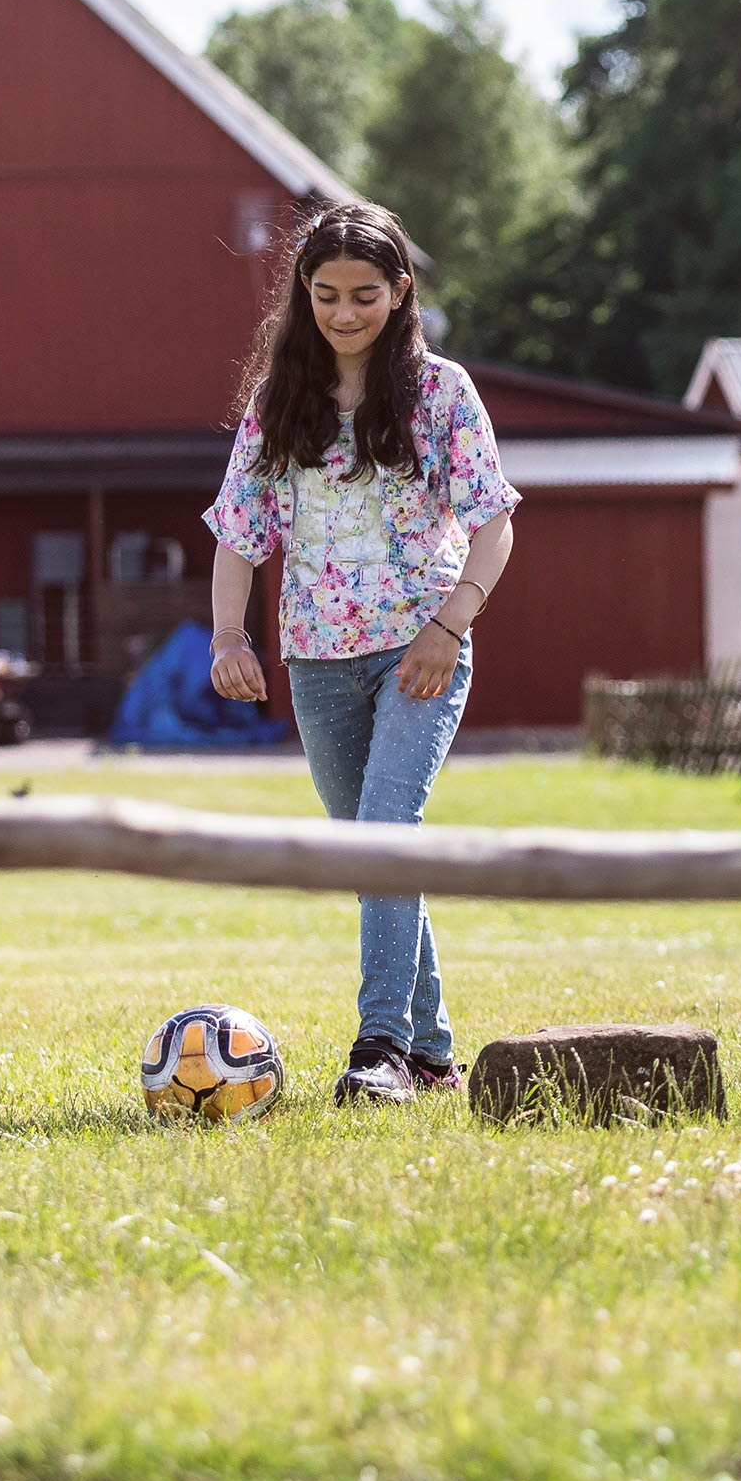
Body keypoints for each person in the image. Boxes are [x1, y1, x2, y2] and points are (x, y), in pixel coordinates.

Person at [205, 201, 518, 1105]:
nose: (345, 312)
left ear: (400, 291)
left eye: (365, 295)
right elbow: (237, 533)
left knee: (385, 835)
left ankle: (378, 1045)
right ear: (303, 293)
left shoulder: (442, 392)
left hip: (422, 649)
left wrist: (448, 625)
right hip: (317, 661)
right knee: (371, 856)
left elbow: (494, 525)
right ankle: (432, 1056)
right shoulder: (278, 404)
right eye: (327, 294)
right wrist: (231, 636)